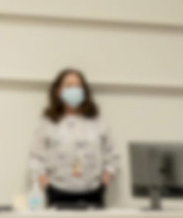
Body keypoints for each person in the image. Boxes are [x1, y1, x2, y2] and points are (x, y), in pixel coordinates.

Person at [29, 68, 118, 208]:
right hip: (58, 192)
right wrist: (47, 186)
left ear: (84, 91)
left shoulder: (98, 121)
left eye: (78, 86)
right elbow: (36, 158)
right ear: (58, 91)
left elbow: (112, 156)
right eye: (69, 86)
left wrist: (104, 184)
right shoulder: (48, 122)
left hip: (94, 193)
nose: (74, 90)